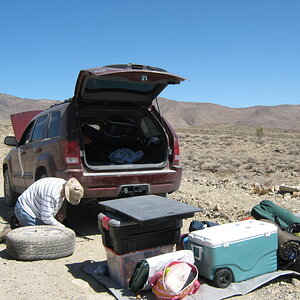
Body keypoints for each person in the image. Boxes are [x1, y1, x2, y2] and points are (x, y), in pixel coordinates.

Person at [14, 177, 84, 227]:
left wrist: (56, 214)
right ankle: (16, 227)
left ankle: (20, 223)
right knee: (42, 235)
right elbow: (46, 217)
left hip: (35, 207)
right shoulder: (52, 194)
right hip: (25, 210)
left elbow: (49, 206)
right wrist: (61, 227)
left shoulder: (62, 184)